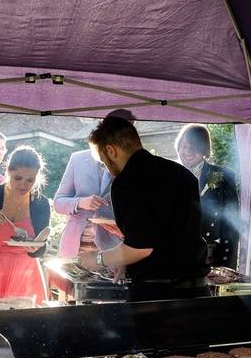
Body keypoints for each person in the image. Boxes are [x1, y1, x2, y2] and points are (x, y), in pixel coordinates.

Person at [77, 116, 208, 301]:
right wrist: (123, 260)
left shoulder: (126, 182)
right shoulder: (183, 174)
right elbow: (171, 235)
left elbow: (141, 248)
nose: (107, 168)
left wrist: (98, 259)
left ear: (110, 150)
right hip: (198, 292)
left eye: (103, 162)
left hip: (158, 297)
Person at [0, 146, 50, 308]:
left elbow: (41, 246)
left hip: (25, 272)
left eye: (30, 180)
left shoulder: (41, 203)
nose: (23, 185)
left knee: (24, 324)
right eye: (18, 178)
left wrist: (36, 248)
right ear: (8, 172)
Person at [53, 109, 131, 257]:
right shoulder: (77, 159)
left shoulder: (130, 164)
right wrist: (81, 202)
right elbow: (58, 203)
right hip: (76, 246)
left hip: (112, 248)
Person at [174, 123, 241, 269]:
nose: (187, 152)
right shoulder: (169, 175)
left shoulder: (223, 176)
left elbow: (231, 224)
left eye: (194, 147)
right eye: (184, 146)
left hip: (210, 258)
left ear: (204, 150)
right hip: (174, 257)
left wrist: (226, 266)